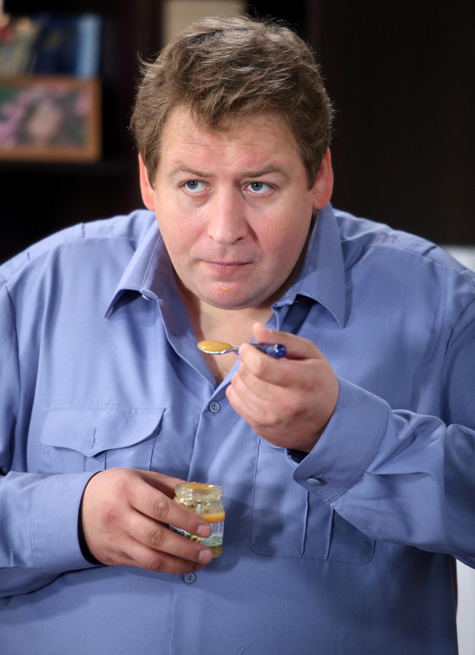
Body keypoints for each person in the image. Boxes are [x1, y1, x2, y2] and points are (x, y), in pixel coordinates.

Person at [0, 15, 474, 655]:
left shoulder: (443, 304)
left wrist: (345, 436)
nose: (225, 230)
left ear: (319, 178)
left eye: (258, 186)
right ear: (148, 181)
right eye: (193, 185)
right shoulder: (32, 292)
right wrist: (71, 520)